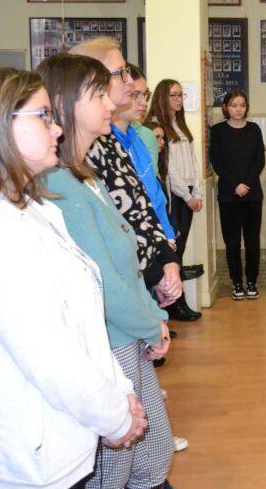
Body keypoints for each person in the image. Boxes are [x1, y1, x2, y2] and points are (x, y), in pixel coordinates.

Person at [0, 67, 143, 489]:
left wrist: (121, 393)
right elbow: (52, 357)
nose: (57, 129)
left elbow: (83, 320)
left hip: (59, 443)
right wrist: (116, 416)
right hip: (24, 465)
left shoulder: (30, 207)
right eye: (43, 116)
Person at [38, 53, 175, 489]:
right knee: (107, 482)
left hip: (130, 335)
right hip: (110, 342)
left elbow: (125, 263)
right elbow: (103, 283)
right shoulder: (59, 184)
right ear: (67, 104)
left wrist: (153, 319)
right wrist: (152, 325)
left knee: (153, 454)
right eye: (98, 94)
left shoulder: (84, 173)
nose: (110, 103)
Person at [69, 40, 190, 325]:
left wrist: (166, 257)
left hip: (143, 275)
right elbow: (116, 231)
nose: (129, 82)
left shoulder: (115, 142)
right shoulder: (75, 160)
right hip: (119, 297)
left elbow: (142, 204)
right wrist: (155, 276)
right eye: (120, 73)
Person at [209, 90, 265, 301]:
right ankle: (237, 283)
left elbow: (259, 160)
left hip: (252, 195)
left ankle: (251, 281)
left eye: (242, 105)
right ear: (226, 107)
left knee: (252, 242)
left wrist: (246, 184)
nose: (238, 109)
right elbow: (217, 162)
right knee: (232, 242)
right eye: (234, 105)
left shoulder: (254, 129)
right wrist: (235, 185)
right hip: (228, 195)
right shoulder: (218, 130)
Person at [113, 64, 176, 249]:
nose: (143, 103)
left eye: (145, 95)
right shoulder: (107, 146)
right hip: (135, 244)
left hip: (156, 237)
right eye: (135, 95)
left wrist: (168, 236)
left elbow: (155, 194)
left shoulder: (137, 140)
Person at [147, 79, 204, 270]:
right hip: (174, 194)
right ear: (162, 97)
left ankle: (177, 286)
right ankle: (173, 287)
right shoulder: (156, 126)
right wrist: (188, 197)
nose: (179, 99)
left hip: (188, 193)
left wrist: (197, 192)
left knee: (181, 247)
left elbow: (193, 161)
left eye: (181, 95)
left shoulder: (180, 124)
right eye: (174, 95)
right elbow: (169, 166)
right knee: (172, 247)